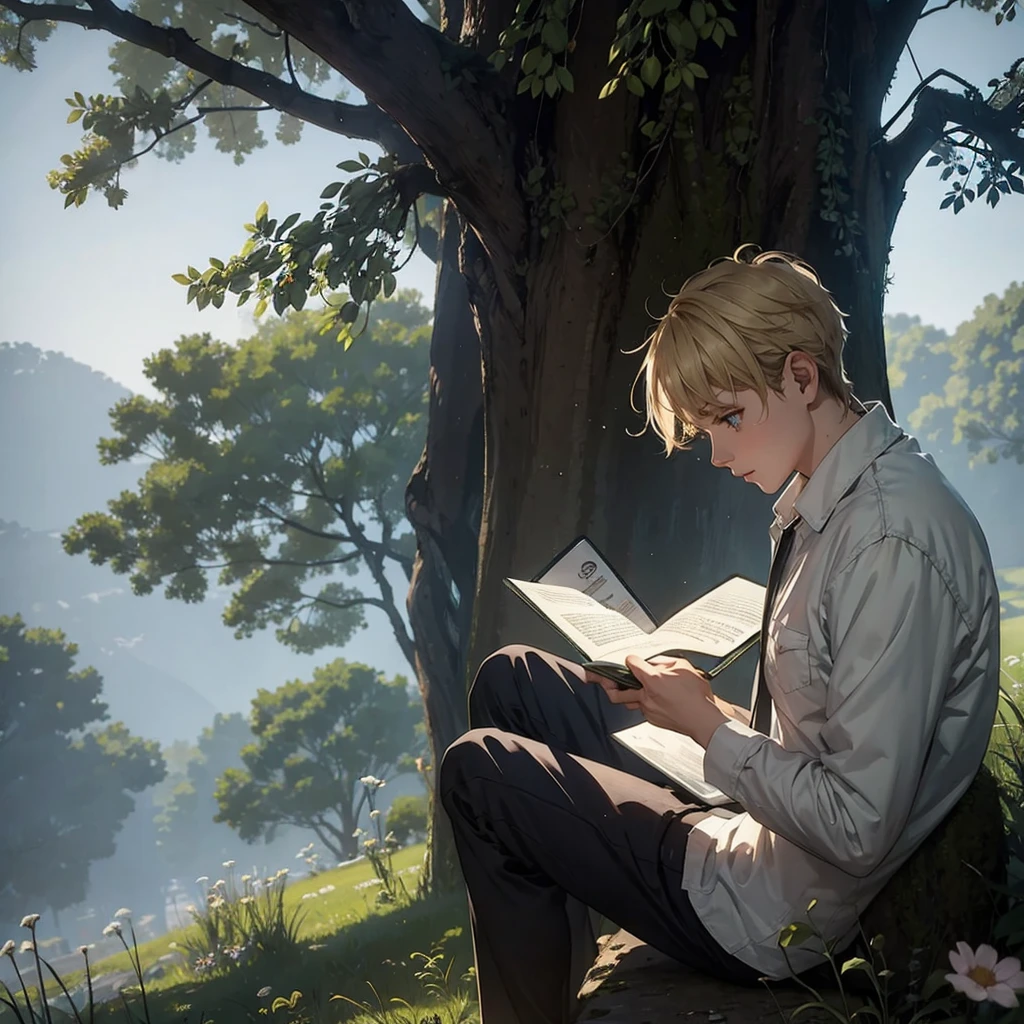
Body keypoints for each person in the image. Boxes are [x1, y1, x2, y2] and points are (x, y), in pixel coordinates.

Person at [438, 245, 1002, 1024]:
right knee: (512, 678)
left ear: (802, 377)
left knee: (479, 772)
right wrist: (700, 708)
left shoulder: (887, 545)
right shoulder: (833, 495)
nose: (719, 452)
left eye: (730, 419)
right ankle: (557, 972)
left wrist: (706, 727)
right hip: (755, 822)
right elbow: (827, 738)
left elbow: (858, 826)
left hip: (768, 907)